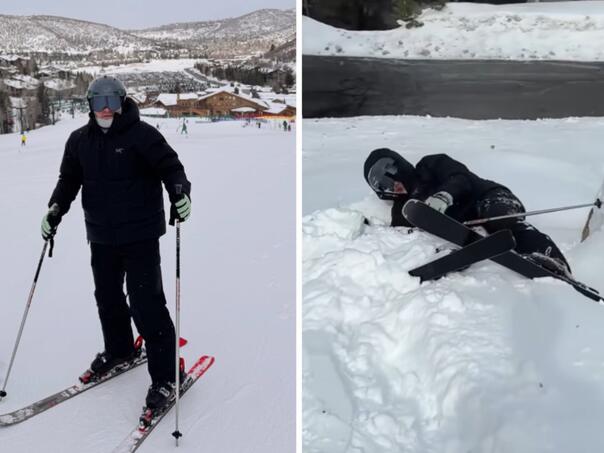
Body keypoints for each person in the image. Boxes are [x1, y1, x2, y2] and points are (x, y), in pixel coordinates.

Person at [40, 75, 192, 411]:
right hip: (101, 236)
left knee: (146, 303)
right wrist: (54, 210)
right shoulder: (79, 141)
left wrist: (180, 193)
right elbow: (68, 180)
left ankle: (168, 374)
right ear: (90, 106)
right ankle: (121, 349)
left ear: (123, 103)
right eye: (98, 103)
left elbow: (171, 168)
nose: (106, 109)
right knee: (107, 298)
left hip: (140, 235)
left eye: (112, 102)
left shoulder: (143, 136)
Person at [363, 148, 571, 277]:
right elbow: (404, 234)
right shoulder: (404, 209)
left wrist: (444, 196)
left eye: (391, 179)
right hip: (469, 224)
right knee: (489, 228)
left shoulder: (431, 164)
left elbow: (461, 178)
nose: (393, 188)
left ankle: (553, 261)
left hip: (489, 197)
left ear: (397, 166)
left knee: (502, 220)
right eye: (383, 186)